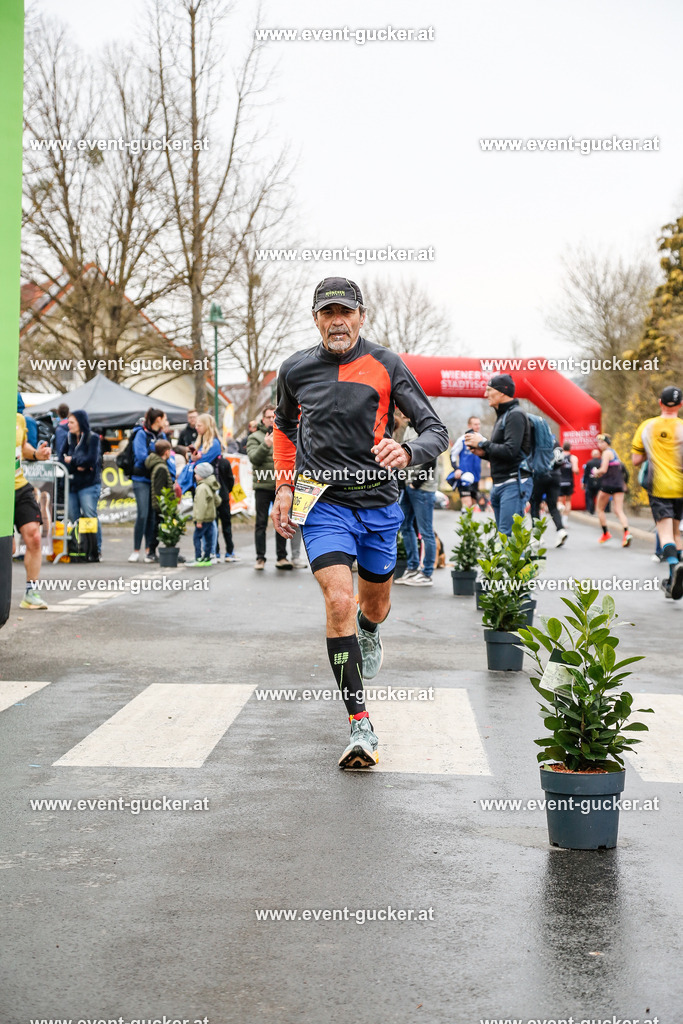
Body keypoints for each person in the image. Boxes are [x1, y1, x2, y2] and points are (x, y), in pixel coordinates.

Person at [271, 277, 448, 769]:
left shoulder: (387, 365)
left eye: (345, 312)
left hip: (379, 505)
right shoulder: (296, 370)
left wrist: (409, 449)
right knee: (338, 599)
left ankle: (370, 630)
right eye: (327, 313)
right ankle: (359, 724)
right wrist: (285, 485)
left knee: (374, 603)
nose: (337, 321)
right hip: (323, 502)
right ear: (316, 319)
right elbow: (283, 427)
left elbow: (436, 428)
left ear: (361, 316)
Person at [632, 385, 683, 599]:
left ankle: (674, 563)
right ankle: (673, 581)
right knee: (677, 532)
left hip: (659, 487)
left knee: (664, 534)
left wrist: (650, 454)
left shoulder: (647, 426)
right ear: (681, 405)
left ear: (660, 403)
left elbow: (635, 460)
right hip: (681, 488)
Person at [465, 374, 532, 536]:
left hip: (513, 483)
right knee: (504, 536)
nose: (485, 394)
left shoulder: (515, 414)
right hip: (500, 483)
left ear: (502, 392)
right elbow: (504, 452)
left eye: (489, 390)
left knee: (508, 537)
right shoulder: (503, 415)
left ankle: (518, 562)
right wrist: (483, 453)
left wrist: (482, 443)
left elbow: (510, 451)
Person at [14, 405, 52, 608]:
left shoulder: (19, 419)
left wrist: (37, 454)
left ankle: (31, 592)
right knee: (8, 548)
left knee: (34, 537)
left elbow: (23, 446)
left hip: (19, 485)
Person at [248, 405, 292, 571]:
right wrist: (265, 445)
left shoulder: (283, 434)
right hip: (262, 485)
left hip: (280, 486)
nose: (272, 420)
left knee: (282, 520)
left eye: (274, 417)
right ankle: (260, 558)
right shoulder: (255, 437)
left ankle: (282, 557)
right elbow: (253, 459)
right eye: (268, 417)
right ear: (263, 419)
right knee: (260, 523)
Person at [395, 417, 437, 586]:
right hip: (408, 487)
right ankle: (412, 568)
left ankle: (426, 573)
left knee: (426, 531)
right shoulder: (408, 430)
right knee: (405, 526)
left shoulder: (425, 429)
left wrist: (415, 483)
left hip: (423, 489)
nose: (403, 414)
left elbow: (431, 459)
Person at [60, 410, 103, 558]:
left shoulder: (93, 438)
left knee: (90, 515)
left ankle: (95, 549)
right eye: (68, 422)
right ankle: (79, 547)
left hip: (89, 484)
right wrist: (77, 463)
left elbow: (91, 460)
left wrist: (72, 460)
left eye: (72, 422)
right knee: (73, 517)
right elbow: (61, 458)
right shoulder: (68, 438)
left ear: (80, 422)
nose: (69, 425)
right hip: (72, 483)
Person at [129, 407, 167, 563]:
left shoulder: (162, 435)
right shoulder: (141, 434)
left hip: (155, 478)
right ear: (157, 419)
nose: (166, 422)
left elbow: (166, 454)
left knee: (153, 515)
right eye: (164, 418)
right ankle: (136, 549)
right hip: (141, 479)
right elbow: (141, 456)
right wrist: (157, 457)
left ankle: (150, 550)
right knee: (143, 514)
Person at [592, 434, 631, 547]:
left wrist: (595, 472)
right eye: (598, 443)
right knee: (619, 510)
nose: (599, 445)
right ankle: (626, 533)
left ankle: (605, 533)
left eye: (601, 442)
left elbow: (603, 470)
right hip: (619, 485)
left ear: (607, 443)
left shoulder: (605, 453)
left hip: (608, 485)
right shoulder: (614, 453)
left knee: (599, 509)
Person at [529, 436, 566, 547]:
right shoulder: (555, 442)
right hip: (555, 476)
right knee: (552, 505)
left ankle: (537, 536)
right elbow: (560, 460)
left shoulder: (537, 440)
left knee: (535, 505)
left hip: (540, 475)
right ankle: (561, 530)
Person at [145, 439, 174, 561]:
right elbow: (160, 489)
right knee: (157, 529)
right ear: (166, 452)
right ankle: (151, 552)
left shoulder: (157, 465)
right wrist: (163, 505)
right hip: (161, 505)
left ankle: (154, 551)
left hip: (159, 504)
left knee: (157, 528)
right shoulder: (161, 467)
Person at [190, 461, 221, 566]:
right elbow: (218, 501)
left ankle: (198, 557)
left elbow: (200, 505)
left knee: (197, 537)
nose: (195, 475)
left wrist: (199, 520)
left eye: (197, 473)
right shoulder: (210, 486)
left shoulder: (201, 488)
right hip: (210, 518)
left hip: (202, 519)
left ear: (202, 476)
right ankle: (207, 557)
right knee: (208, 539)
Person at [449, 416, 482, 510]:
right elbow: (453, 455)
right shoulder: (462, 439)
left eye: (479, 424)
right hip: (465, 476)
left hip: (476, 477)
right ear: (469, 425)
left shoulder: (482, 439)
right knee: (467, 504)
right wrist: (456, 469)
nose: (478, 426)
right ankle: (464, 523)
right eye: (475, 424)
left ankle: (468, 524)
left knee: (473, 505)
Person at [214, 451, 240, 563]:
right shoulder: (225, 462)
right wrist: (226, 491)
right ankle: (229, 552)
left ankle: (216, 552)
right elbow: (231, 480)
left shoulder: (209, 462)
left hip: (214, 497)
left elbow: (230, 480)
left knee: (214, 526)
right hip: (224, 496)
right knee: (226, 526)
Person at [558, 441, 579, 523]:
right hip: (569, 481)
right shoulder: (573, 458)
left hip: (560, 481)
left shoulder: (559, 457)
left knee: (559, 501)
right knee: (568, 501)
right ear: (570, 448)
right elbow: (575, 470)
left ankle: (560, 507)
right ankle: (565, 519)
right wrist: (577, 472)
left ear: (562, 447)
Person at [582, 448, 601, 515]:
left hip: (590, 482)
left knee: (590, 497)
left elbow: (586, 474)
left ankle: (591, 510)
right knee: (599, 496)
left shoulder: (589, 462)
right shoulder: (601, 462)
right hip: (599, 482)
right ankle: (599, 510)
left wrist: (584, 483)